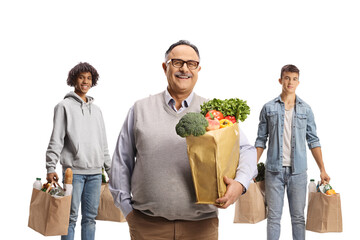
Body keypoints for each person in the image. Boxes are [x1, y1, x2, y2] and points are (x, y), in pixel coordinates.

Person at [109, 40, 257, 240]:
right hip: (147, 226)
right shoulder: (140, 109)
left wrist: (239, 184)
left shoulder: (212, 111)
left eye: (191, 64)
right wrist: (127, 210)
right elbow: (121, 162)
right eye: (177, 62)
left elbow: (247, 149)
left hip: (201, 227)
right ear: (165, 67)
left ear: (198, 69)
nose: (184, 69)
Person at [255, 64, 330, 240]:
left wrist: (322, 169)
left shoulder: (306, 109)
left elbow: (313, 140)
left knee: (298, 218)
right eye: (287, 78)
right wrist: (252, 166)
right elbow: (260, 140)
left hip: (298, 172)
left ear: (298, 82)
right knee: (273, 218)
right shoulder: (268, 108)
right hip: (273, 171)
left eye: (294, 79)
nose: (290, 82)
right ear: (280, 80)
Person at [46, 62, 111, 240]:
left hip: (96, 174)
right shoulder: (63, 106)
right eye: (81, 77)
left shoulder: (97, 110)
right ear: (74, 79)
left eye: (89, 78)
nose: (85, 81)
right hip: (73, 173)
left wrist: (110, 170)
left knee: (90, 219)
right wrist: (50, 167)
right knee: (69, 218)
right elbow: (56, 139)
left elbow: (103, 143)